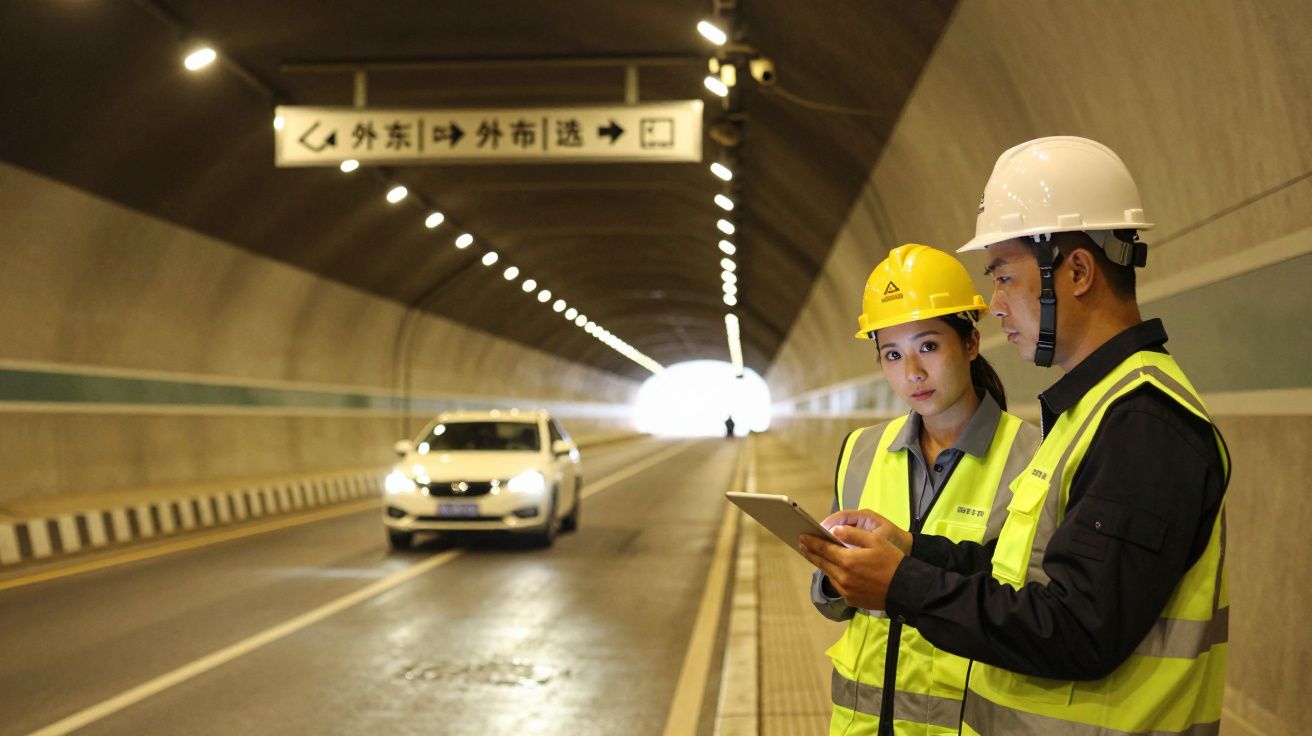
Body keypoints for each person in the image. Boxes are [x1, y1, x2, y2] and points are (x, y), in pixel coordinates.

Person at [800, 137, 1230, 736]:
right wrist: (912, 550)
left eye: (1004, 277)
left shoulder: (1144, 424)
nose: (995, 305)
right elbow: (1022, 576)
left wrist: (903, 584)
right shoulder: (1091, 412)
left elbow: (1077, 629)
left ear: (1076, 271)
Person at [810, 243, 1041, 735]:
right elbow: (828, 601)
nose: (911, 372)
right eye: (892, 354)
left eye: (928, 346)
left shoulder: (1033, 457)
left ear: (972, 343)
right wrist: (835, 577)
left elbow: (1027, 610)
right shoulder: (861, 450)